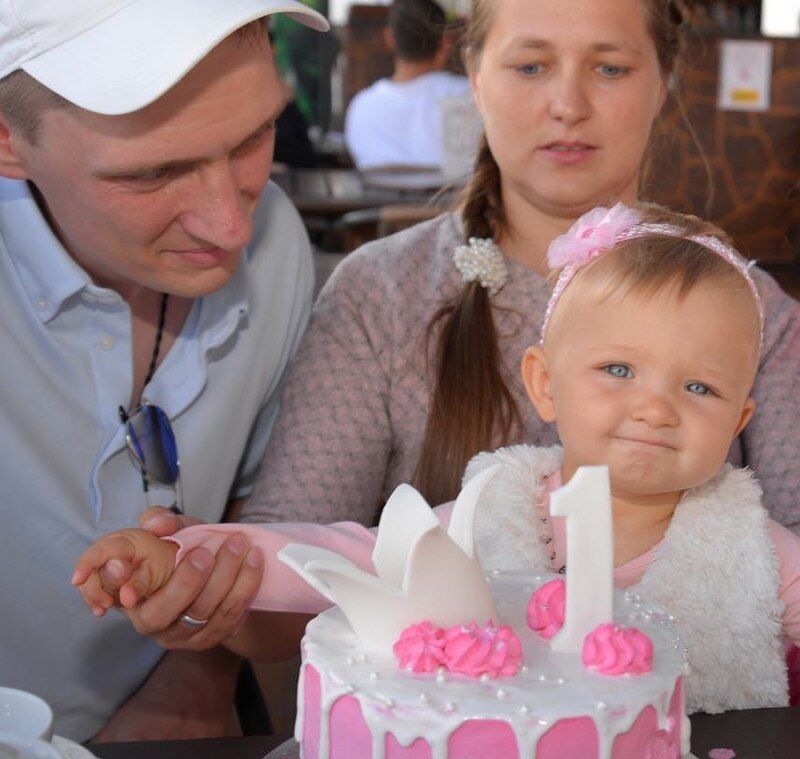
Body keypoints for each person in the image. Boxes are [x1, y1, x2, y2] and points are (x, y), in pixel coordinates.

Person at [72, 202, 800, 713]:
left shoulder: (758, 554)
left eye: (699, 386)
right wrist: (196, 551)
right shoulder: (496, 512)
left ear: (739, 418)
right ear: (544, 384)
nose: (655, 407)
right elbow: (344, 555)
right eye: (618, 370)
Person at [240, 0, 800, 534]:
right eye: (530, 66)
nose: (568, 105)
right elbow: (292, 551)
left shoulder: (754, 313)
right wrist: (215, 574)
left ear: (664, 81)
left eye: (610, 68)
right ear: (475, 76)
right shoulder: (380, 292)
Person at [0, 0, 328, 743]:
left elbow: (259, 508)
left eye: (254, 135)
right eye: (151, 174)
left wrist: (195, 679)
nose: (231, 226)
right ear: (8, 140)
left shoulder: (277, 248)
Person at [344, 0, 471, 169]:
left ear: (389, 38)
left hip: (378, 195)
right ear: (445, 40)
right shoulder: (470, 96)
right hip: (453, 196)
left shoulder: (361, 106)